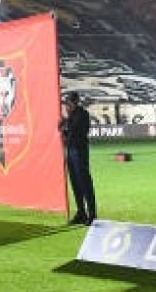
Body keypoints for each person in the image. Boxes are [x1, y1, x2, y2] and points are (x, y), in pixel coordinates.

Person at [60, 91, 97, 225]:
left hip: (79, 151)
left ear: (74, 103)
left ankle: (92, 214)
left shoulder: (82, 114)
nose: (66, 106)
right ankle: (81, 212)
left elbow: (75, 131)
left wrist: (65, 125)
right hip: (71, 151)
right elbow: (67, 133)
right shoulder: (71, 116)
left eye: (68, 103)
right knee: (75, 183)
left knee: (84, 182)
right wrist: (64, 128)